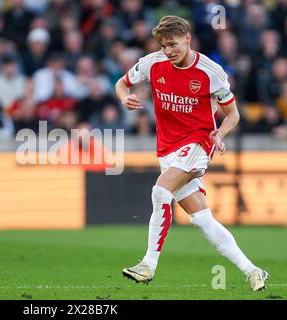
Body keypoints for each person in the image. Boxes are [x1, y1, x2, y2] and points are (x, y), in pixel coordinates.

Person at [115, 16, 269, 291]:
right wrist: (123, 98)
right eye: (163, 46)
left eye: (172, 44)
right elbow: (121, 83)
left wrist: (219, 135)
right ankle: (253, 271)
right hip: (167, 149)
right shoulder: (153, 63)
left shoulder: (211, 72)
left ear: (188, 38)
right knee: (202, 219)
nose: (168, 51)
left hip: (198, 142)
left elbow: (233, 115)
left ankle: (148, 265)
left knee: (160, 191)